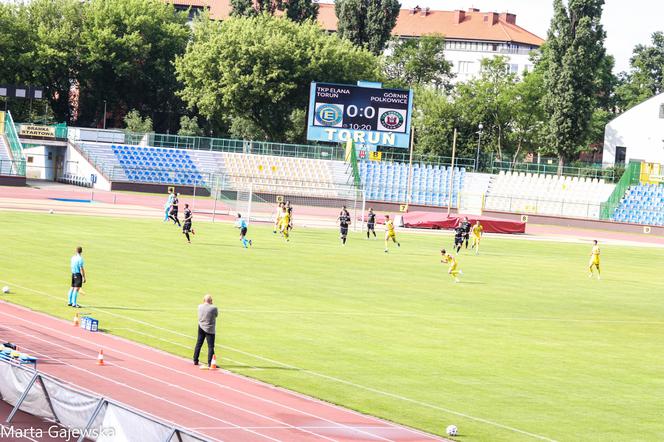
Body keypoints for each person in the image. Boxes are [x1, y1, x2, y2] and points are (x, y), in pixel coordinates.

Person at [193, 294, 218, 368]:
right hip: (209, 328)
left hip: (201, 326)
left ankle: (195, 359)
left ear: (204, 300)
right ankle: (210, 363)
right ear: (211, 301)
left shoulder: (199, 306)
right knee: (210, 346)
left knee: (199, 343)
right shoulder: (213, 308)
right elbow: (216, 315)